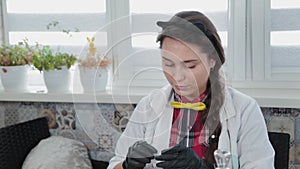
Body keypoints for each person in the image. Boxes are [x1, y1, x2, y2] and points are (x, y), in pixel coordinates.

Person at [108, 11, 275, 169]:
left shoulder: (244, 109)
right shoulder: (149, 106)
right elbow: (115, 163)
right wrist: (127, 165)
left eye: (190, 65)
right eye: (168, 64)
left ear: (212, 60)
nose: (178, 76)